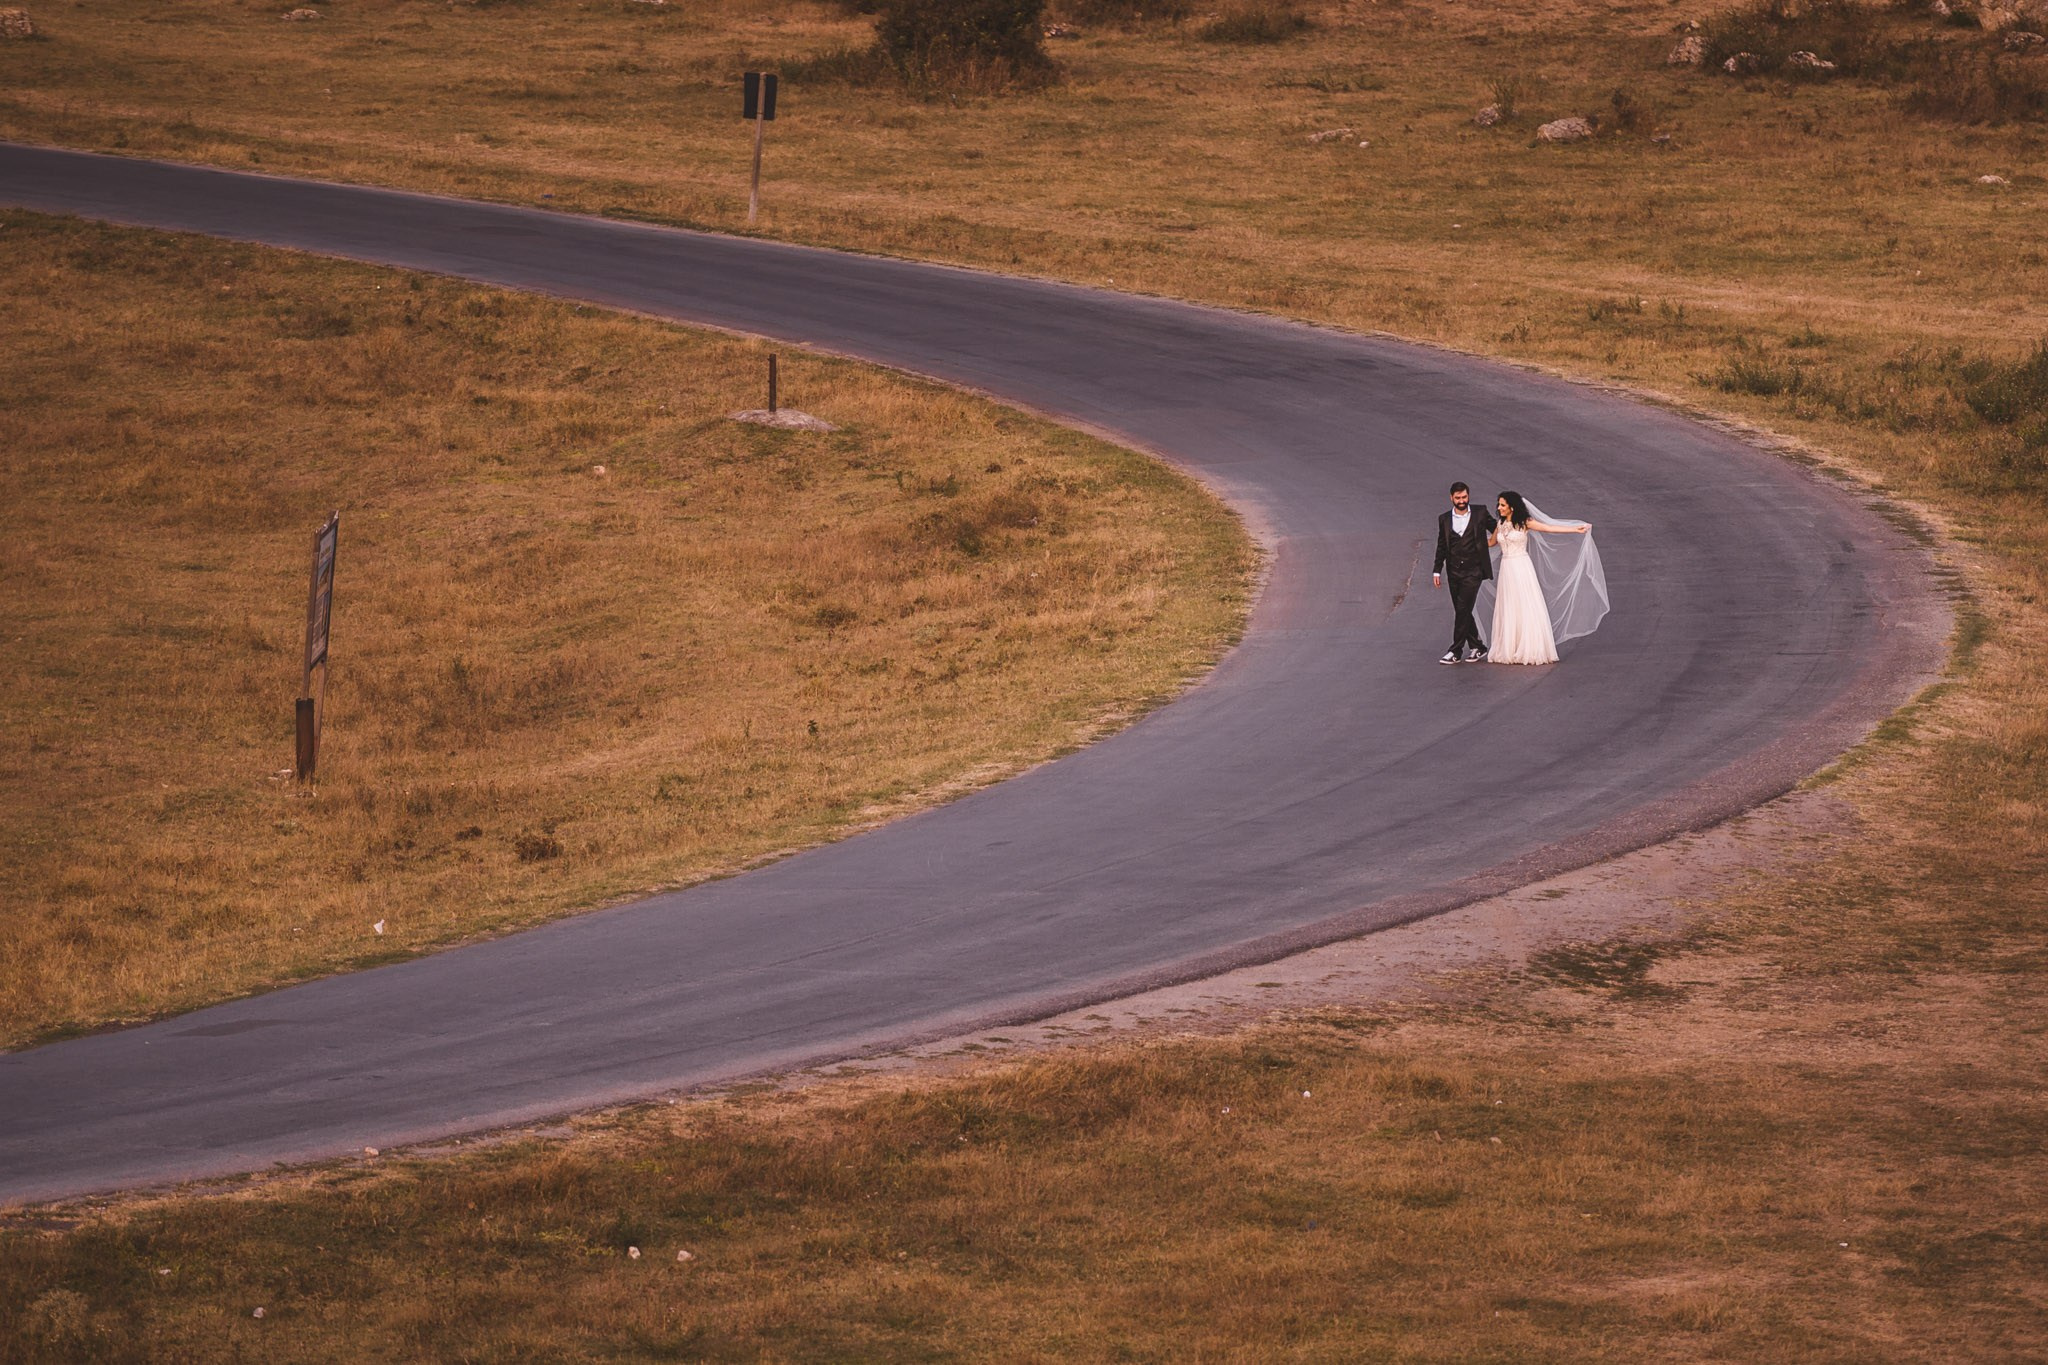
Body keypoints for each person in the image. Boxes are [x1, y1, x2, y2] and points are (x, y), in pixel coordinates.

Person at [1484, 490, 1600, 666]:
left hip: (1521, 567)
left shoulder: (1525, 522)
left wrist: (1575, 529)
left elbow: (1549, 527)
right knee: (1509, 605)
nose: (1499, 508)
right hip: (1507, 570)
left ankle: (1530, 647)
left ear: (1512, 507)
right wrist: (1468, 539)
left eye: (1502, 505)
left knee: (1525, 604)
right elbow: (1491, 542)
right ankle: (1510, 647)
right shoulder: (1500, 524)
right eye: (1499, 504)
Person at [1431, 481, 1497, 664]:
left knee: (1462, 608)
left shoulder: (1480, 512)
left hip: (1474, 571)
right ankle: (1478, 646)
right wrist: (1437, 570)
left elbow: (1497, 529)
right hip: (1453, 572)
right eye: (1458, 498)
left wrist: (1492, 542)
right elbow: (1441, 546)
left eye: (1464, 497)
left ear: (1468, 496)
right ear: (1451, 498)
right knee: (1463, 610)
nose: (1462, 501)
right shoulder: (1444, 519)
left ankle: (1455, 651)